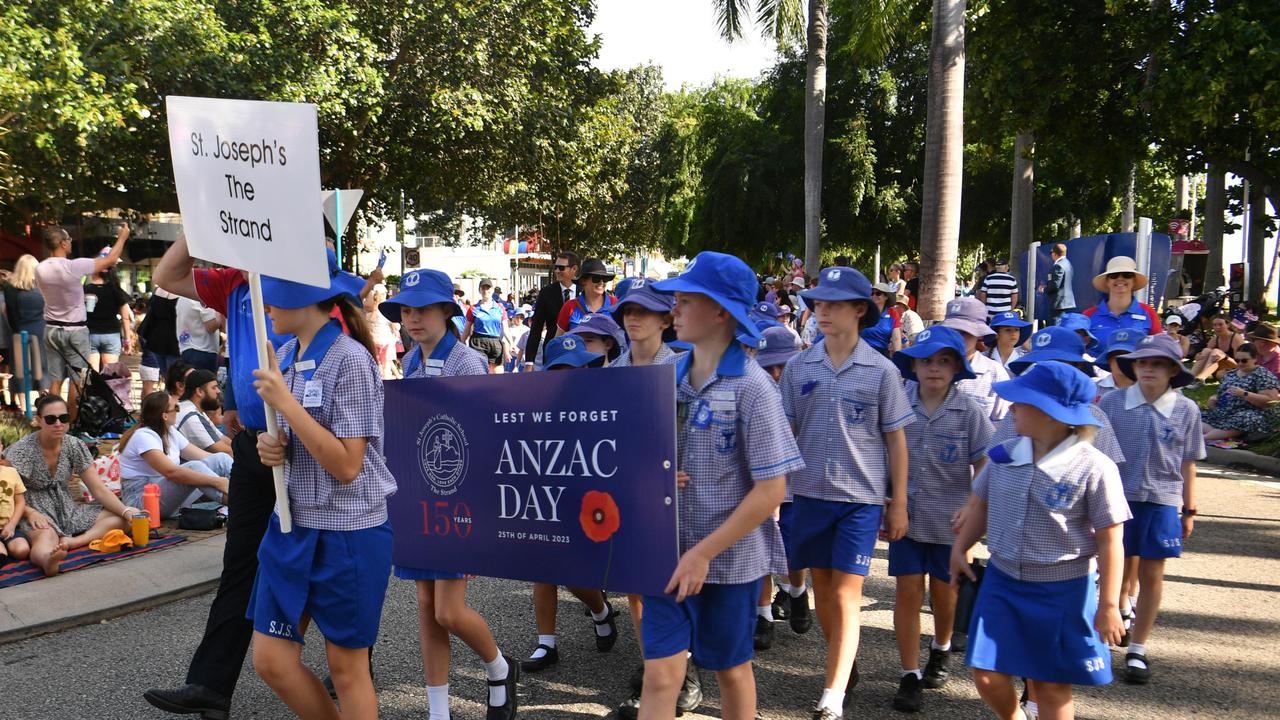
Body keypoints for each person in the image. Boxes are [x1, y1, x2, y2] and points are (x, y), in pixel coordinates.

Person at [636, 252, 803, 720]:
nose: (674, 310)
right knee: (660, 675)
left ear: (721, 312)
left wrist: (703, 554)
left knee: (731, 670)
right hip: (665, 553)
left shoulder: (754, 387)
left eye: (686, 301)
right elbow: (634, 455)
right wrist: (652, 473)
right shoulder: (662, 377)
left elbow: (771, 491)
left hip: (729, 565)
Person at [142, 236, 291, 719]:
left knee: (320, 560)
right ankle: (210, 687)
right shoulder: (232, 281)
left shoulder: (299, 278)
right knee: (240, 567)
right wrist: (198, 224)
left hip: (301, 451)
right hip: (252, 445)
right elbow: (164, 277)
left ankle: (354, 669)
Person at [245, 262, 396, 720]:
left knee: (347, 669)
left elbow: (348, 465)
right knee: (271, 661)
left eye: (275, 291)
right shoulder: (286, 353)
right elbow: (304, 439)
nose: (266, 304)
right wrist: (273, 447)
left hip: (348, 532)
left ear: (309, 298)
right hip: (291, 524)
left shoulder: (351, 359)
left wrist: (285, 404)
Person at [950, 362, 1129, 720]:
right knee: (985, 673)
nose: (1012, 407)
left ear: (1053, 415)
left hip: (1063, 590)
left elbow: (1112, 539)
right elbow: (982, 506)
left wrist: (1109, 604)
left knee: (1049, 684)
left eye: (1022, 401)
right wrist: (960, 547)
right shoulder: (1004, 455)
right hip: (1003, 582)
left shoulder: (1095, 467)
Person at [378, 268, 519, 720]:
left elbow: (481, 434)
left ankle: (499, 668)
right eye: (405, 310)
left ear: (446, 311)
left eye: (422, 309)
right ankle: (439, 711)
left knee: (449, 612)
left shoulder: (467, 362)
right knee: (426, 606)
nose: (412, 318)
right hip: (420, 497)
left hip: (459, 501)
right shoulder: (413, 361)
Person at [780, 266, 910, 720]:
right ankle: (846, 666)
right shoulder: (799, 366)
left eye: (833, 303)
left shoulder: (882, 371)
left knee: (845, 596)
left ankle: (831, 697)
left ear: (860, 310)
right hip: (809, 494)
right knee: (822, 593)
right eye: (818, 302)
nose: (822, 310)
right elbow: (783, 432)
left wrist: (899, 502)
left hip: (860, 499)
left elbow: (896, 440)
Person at [888, 327, 993, 712]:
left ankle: (942, 646)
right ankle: (909, 673)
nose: (934, 368)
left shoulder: (969, 411)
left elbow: (986, 461)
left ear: (957, 368)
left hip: (950, 521)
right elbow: (885, 453)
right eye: (927, 360)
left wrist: (973, 503)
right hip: (907, 517)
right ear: (913, 365)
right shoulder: (899, 403)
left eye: (944, 361)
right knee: (907, 591)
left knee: (944, 596)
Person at [1099, 334, 1204, 685]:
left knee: (1153, 574)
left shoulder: (1186, 409)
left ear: (1173, 370)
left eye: (1157, 364)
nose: (1148, 369)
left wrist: (1189, 509)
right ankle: (1107, 629)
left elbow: (1188, 461)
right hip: (1117, 497)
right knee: (1108, 568)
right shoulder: (1112, 403)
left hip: (1162, 499)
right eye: (1142, 363)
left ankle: (1138, 648)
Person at [6, 394, 141, 576]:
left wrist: (126, 511)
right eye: (50, 419)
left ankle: (73, 542)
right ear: (38, 421)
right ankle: (48, 560)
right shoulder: (22, 451)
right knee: (46, 537)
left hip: (67, 509)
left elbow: (98, 489)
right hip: (34, 510)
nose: (58, 424)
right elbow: (7, 493)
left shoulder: (74, 445)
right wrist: (30, 513)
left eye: (63, 418)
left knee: (126, 517)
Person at [747, 326, 808, 650]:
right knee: (761, 544)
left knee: (794, 550)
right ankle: (763, 614)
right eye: (767, 366)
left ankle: (797, 592)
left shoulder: (807, 387)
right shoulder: (754, 390)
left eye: (781, 366)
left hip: (799, 483)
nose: (774, 373)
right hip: (763, 483)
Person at [35, 224, 130, 408]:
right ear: (62, 244)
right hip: (75, 330)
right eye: (69, 239)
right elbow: (111, 259)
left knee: (56, 381)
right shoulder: (73, 266)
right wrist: (123, 236)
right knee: (77, 381)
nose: (71, 242)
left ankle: (51, 417)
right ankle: (71, 424)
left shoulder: (40, 268)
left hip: (51, 329)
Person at [118, 391, 232, 518]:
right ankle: (242, 503)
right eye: (176, 407)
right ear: (165, 416)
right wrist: (217, 482)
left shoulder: (170, 432)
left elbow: (207, 458)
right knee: (192, 467)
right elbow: (171, 472)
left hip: (163, 494)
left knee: (220, 458)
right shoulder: (144, 436)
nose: (179, 410)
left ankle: (252, 491)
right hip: (141, 501)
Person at [939, 297, 1011, 421]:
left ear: (980, 335)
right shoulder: (927, 368)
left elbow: (1003, 425)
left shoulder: (994, 374)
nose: (956, 337)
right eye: (951, 331)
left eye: (964, 332)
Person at [1201, 344, 1280, 441]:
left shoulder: (1263, 375)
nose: (1240, 363)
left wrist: (1245, 394)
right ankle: (1224, 435)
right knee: (1199, 416)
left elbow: (1271, 401)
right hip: (1227, 412)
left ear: (1255, 359)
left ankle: (1205, 438)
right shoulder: (1231, 374)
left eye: (1244, 360)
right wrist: (1214, 399)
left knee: (1246, 418)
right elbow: (1223, 394)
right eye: (1237, 360)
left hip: (1253, 413)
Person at [1083, 256, 1162, 339]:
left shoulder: (1148, 312)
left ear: (1134, 281)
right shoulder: (1089, 315)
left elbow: (1159, 346)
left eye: (1127, 275)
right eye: (1114, 275)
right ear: (1107, 281)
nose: (1120, 278)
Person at [525, 251, 579, 368]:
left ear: (574, 269)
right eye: (555, 267)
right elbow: (536, 328)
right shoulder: (546, 293)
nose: (557, 271)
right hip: (553, 352)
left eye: (561, 268)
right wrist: (529, 362)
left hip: (580, 352)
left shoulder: (584, 291)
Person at [4, 254, 48, 396]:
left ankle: (24, 409)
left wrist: (16, 328)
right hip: (41, 330)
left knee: (21, 370)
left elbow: (11, 312)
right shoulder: (43, 287)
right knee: (42, 367)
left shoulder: (10, 287)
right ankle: (44, 399)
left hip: (20, 330)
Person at [84, 266, 135, 370]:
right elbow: (125, 318)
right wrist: (127, 340)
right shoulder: (116, 290)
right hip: (112, 336)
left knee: (92, 375)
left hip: (90, 335)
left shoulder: (85, 289)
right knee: (110, 374)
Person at [177, 369, 232, 455]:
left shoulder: (197, 410)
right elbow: (223, 450)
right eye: (214, 387)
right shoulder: (190, 415)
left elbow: (221, 438)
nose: (218, 391)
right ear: (199, 391)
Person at [138, 288, 182, 398]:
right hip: (174, 341)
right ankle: (172, 408)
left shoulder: (159, 291)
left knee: (169, 381)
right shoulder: (184, 293)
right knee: (176, 383)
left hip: (157, 340)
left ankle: (167, 408)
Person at [557, 258, 618, 333]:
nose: (601, 282)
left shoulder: (615, 304)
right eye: (596, 278)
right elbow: (558, 340)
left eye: (605, 279)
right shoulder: (569, 307)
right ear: (583, 281)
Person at [463, 278, 509, 373]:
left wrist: (511, 343)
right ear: (479, 290)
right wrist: (461, 343)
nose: (485, 291)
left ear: (492, 290)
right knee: (479, 373)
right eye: (483, 288)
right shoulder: (473, 308)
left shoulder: (500, 308)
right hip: (478, 342)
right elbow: (466, 330)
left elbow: (506, 329)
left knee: (499, 374)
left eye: (488, 288)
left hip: (495, 342)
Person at [1189, 314, 1245, 381]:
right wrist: (1198, 356)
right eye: (1215, 325)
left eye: (1220, 324)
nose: (1217, 327)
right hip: (1217, 369)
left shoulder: (1236, 338)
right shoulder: (1214, 339)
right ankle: (1190, 378)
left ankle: (1200, 379)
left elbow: (1241, 364)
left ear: (1228, 325)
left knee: (1216, 352)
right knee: (1206, 350)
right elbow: (1204, 356)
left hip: (1235, 369)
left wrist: (1225, 357)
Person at [176, 295, 222, 373]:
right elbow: (211, 326)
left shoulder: (182, 297)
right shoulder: (203, 296)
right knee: (205, 383)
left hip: (186, 348)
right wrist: (221, 313)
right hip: (203, 350)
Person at [364, 283, 399, 379]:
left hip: (373, 341)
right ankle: (387, 383)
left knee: (377, 362)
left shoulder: (368, 314)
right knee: (386, 364)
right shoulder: (385, 313)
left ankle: (378, 379)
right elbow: (396, 326)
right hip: (386, 341)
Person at [0, 450, 30, 564]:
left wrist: (11, 525)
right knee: (1, 554)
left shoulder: (11, 472)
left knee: (22, 550)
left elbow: (20, 502)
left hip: (9, 527)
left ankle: (6, 548)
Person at [1094, 329, 1142, 398]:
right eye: (1116, 354)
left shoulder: (1150, 392)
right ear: (1108, 359)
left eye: (1128, 354)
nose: (1122, 359)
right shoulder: (1092, 389)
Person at [1043, 243, 1076, 320]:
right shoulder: (1068, 263)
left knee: (1055, 329)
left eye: (1052, 253)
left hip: (1058, 304)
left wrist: (1044, 289)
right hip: (1067, 303)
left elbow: (1055, 285)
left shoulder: (1058, 266)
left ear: (1054, 254)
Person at [870, 283, 903, 353]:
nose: (874, 296)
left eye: (878, 293)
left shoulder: (893, 313)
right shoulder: (865, 310)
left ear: (886, 297)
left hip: (882, 353)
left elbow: (896, 338)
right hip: (861, 352)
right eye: (872, 294)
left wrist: (898, 356)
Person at [503, 305, 531, 373]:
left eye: (521, 317)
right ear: (514, 317)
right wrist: (507, 353)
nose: (519, 319)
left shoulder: (527, 329)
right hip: (512, 357)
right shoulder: (510, 329)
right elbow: (505, 341)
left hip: (522, 358)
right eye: (517, 317)